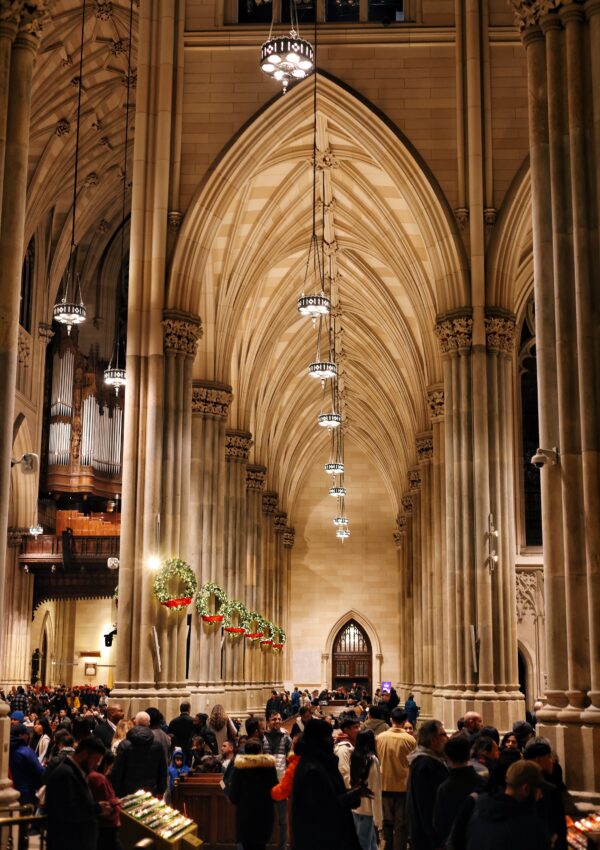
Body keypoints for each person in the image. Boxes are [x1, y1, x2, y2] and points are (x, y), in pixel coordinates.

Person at [291, 719, 367, 850]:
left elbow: (331, 795)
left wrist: (354, 791)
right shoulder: (312, 769)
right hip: (320, 840)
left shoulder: (322, 763)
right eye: (328, 736)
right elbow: (326, 808)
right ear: (317, 740)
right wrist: (353, 794)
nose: (332, 740)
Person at [456, 760, 552, 850]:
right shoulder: (532, 830)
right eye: (539, 790)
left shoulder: (478, 812)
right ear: (525, 789)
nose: (541, 795)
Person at [45, 736, 111, 850]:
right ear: (85, 754)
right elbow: (69, 811)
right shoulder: (65, 775)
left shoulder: (74, 772)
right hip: (69, 843)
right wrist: (97, 808)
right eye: (96, 760)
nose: (98, 765)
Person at [433, 733, 484, 847]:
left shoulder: (444, 788)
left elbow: (439, 823)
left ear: (447, 757)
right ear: (470, 754)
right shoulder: (482, 782)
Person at [377, 706, 417, 850]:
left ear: (390, 720)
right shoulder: (410, 739)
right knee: (401, 825)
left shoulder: (380, 737)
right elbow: (413, 762)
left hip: (384, 783)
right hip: (403, 786)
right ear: (405, 720)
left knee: (386, 822)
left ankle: (387, 846)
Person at [406, 719, 449, 850]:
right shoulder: (425, 764)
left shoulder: (429, 761)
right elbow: (425, 805)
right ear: (433, 740)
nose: (447, 738)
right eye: (443, 734)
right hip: (427, 839)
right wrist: (435, 839)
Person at [229, 739, 278, 850]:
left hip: (245, 814)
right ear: (261, 751)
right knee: (261, 845)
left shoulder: (240, 767)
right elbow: (275, 791)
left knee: (246, 845)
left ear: (245, 751)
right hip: (265, 813)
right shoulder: (269, 767)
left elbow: (233, 795)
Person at [111, 711, 167, 797]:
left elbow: (117, 770)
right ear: (148, 724)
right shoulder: (157, 746)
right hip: (151, 791)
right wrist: (161, 791)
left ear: (135, 722)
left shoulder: (124, 745)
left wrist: (116, 791)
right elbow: (162, 771)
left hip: (128, 792)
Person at [524, 737, 567, 850]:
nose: (551, 760)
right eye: (548, 757)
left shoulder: (549, 780)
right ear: (538, 760)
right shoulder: (535, 786)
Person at [262, 711, 293, 850]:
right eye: (274, 719)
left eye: (279, 719)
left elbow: (291, 760)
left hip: (281, 783)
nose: (277, 721)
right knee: (265, 818)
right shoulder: (263, 738)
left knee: (282, 820)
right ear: (269, 721)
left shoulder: (286, 738)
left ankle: (283, 846)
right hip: (266, 784)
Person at [350, 728, 382, 850]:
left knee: (370, 843)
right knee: (364, 844)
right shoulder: (371, 760)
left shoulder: (354, 756)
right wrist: (378, 818)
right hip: (368, 809)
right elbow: (375, 789)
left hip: (356, 807)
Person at [88, 750, 122, 850]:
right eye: (110, 767)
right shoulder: (98, 778)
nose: (110, 771)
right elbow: (108, 806)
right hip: (105, 828)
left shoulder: (93, 776)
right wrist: (117, 803)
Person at [9, 723, 43, 805]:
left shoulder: (5, 749)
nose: (28, 736)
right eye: (26, 734)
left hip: (10, 790)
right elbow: (40, 771)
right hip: (27, 792)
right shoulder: (26, 751)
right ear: (21, 735)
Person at [334, 715, 361, 789]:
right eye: (356, 727)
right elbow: (344, 774)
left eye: (359, 726)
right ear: (346, 730)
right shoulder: (343, 748)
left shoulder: (353, 743)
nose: (359, 729)